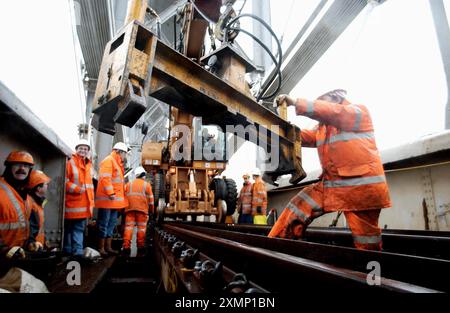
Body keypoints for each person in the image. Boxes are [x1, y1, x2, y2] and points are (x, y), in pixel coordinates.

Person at [270, 89, 391, 250]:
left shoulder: (358, 113)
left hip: (362, 191)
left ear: (336, 97)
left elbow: (334, 113)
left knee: (367, 243)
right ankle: (275, 248)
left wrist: (296, 102)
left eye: (323, 101)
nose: (319, 106)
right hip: (334, 187)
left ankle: (370, 272)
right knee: (298, 207)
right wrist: (277, 129)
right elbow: (301, 136)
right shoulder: (323, 128)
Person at [95, 142, 128, 256]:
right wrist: (111, 193)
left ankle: (108, 247)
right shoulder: (109, 161)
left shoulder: (117, 163)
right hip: (107, 200)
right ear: (119, 152)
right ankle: (101, 248)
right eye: (125, 153)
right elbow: (105, 178)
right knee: (104, 224)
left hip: (114, 202)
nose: (126, 156)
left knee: (111, 224)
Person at [0, 151, 35, 259]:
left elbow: (27, 224)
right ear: (9, 167)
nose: (22, 168)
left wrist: (31, 241)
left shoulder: (27, 196)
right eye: (17, 164)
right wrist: (3, 249)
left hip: (18, 256)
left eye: (26, 166)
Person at [64, 139, 95, 258]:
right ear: (76, 149)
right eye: (81, 148)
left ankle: (76, 252)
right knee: (71, 229)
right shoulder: (70, 162)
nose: (83, 150)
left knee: (76, 229)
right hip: (72, 204)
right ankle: (71, 251)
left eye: (85, 149)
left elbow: (89, 186)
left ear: (88, 151)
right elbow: (64, 181)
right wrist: (77, 189)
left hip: (82, 205)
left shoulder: (88, 164)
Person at [122, 166, 154, 257]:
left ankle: (126, 248)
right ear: (143, 175)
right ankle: (140, 248)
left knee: (128, 229)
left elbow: (123, 197)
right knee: (141, 230)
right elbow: (151, 200)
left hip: (129, 210)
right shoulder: (146, 185)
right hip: (142, 211)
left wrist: (122, 210)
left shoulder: (128, 184)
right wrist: (152, 211)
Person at [26, 170, 51, 252]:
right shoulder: (32, 204)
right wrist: (33, 243)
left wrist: (44, 240)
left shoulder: (37, 203)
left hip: (37, 246)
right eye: (46, 184)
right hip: (33, 248)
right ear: (39, 188)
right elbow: (31, 229)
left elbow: (39, 227)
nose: (48, 186)